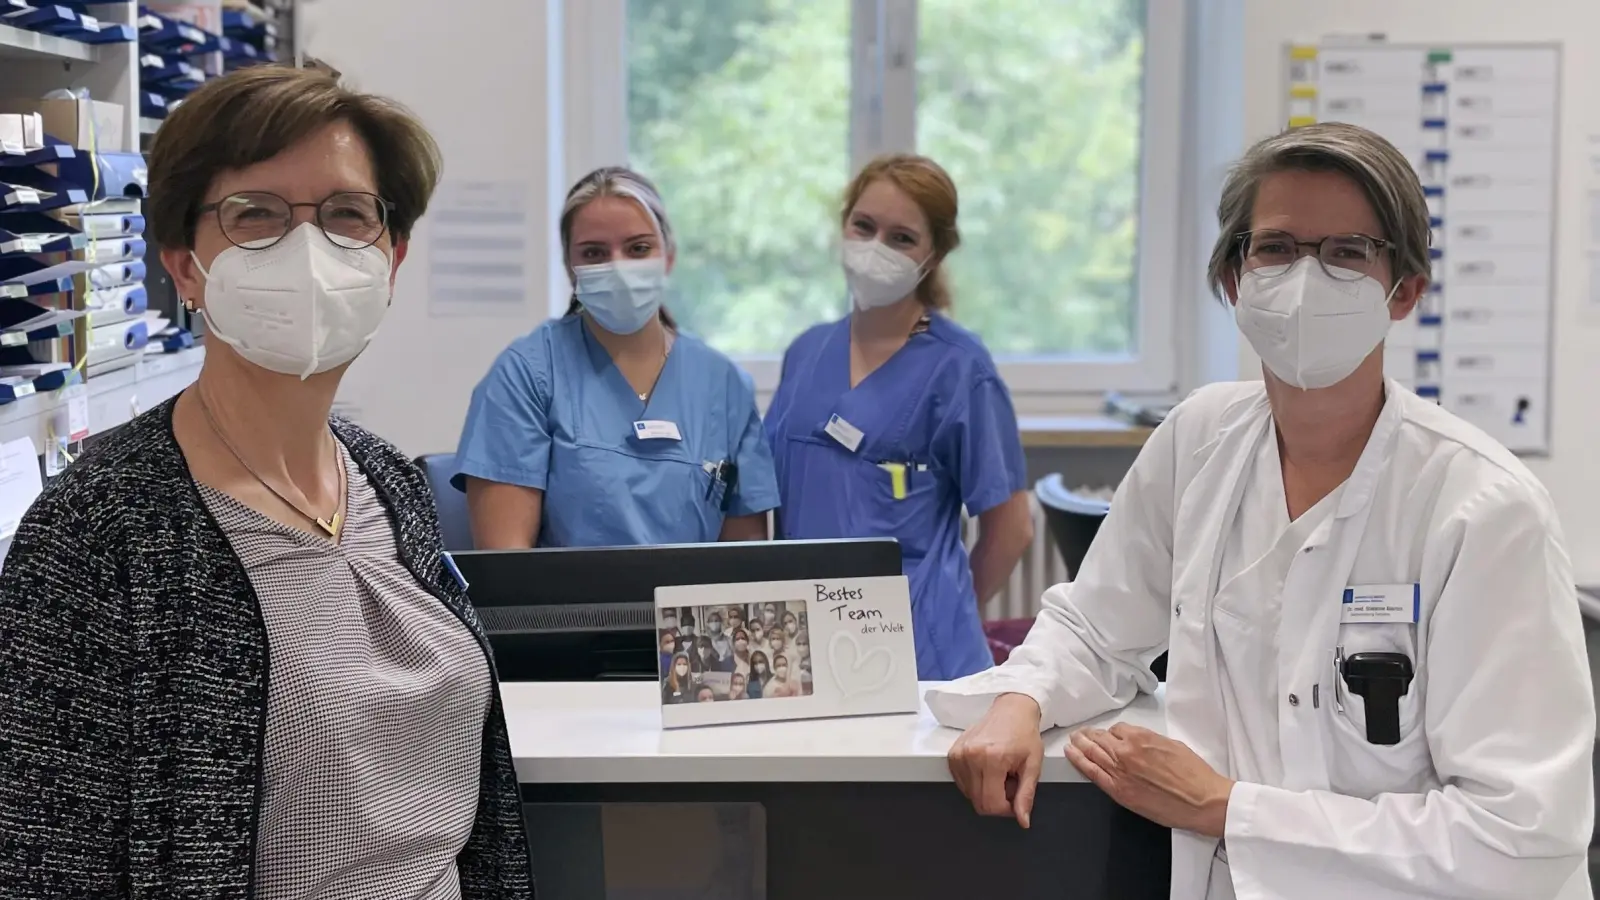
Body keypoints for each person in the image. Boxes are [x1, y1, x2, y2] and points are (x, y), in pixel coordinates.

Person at [934, 122, 1594, 900]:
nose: (1305, 278)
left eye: (1347, 252)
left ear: (1405, 291)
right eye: (1276, 248)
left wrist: (1230, 811)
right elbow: (1094, 626)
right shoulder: (1199, 438)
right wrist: (1023, 698)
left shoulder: (1483, 509)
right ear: (1233, 281)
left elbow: (1521, 842)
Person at [0, 66, 533, 898]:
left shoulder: (388, 479)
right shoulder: (97, 533)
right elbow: (44, 866)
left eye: (347, 215)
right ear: (184, 265)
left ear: (390, 257)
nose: (310, 252)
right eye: (257, 216)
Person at [764, 153, 1034, 681]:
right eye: (863, 227)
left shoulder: (959, 368)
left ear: (934, 255)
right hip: (806, 650)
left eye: (901, 238)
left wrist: (946, 611)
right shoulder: (806, 353)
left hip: (920, 658)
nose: (875, 248)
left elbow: (1012, 528)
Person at [454, 166, 780, 548]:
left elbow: (743, 569)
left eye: (639, 248)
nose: (619, 267)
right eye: (594, 253)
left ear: (668, 257)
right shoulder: (527, 374)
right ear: (569, 268)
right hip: (568, 608)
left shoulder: (723, 384)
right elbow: (505, 567)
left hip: (690, 607)